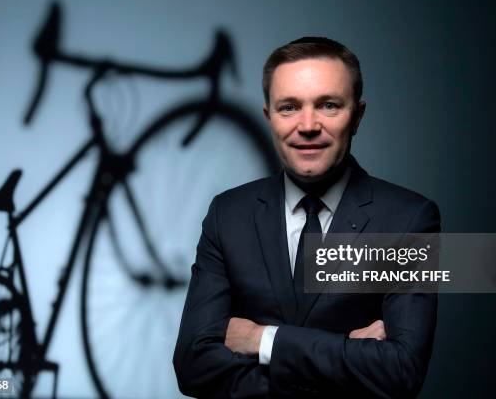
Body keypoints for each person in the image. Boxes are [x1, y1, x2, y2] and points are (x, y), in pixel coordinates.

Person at [173, 36, 440, 398]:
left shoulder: (409, 220)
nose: (308, 124)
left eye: (328, 105)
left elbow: (401, 371)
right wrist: (346, 350)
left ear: (357, 116)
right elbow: (193, 366)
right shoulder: (227, 214)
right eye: (289, 108)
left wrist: (262, 339)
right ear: (269, 118)